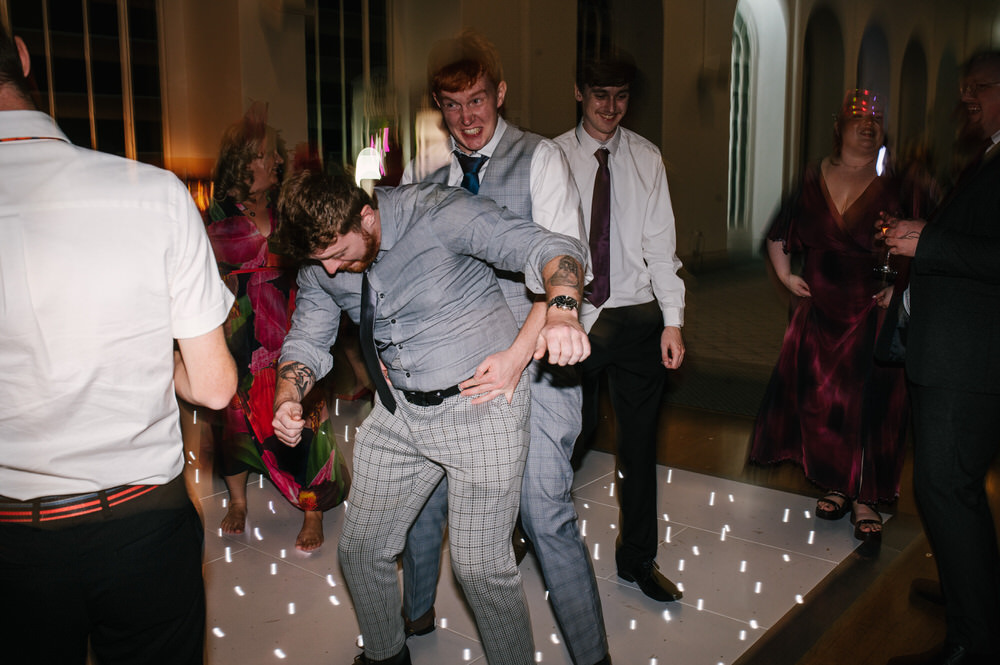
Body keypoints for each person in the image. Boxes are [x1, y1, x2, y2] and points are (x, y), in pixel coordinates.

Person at [270, 170, 591, 665]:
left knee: (480, 568)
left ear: (367, 217)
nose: (330, 271)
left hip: (482, 409)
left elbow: (553, 247)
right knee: (359, 551)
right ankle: (385, 655)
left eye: (337, 254)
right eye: (319, 262)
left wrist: (563, 312)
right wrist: (287, 397)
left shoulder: (440, 212)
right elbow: (307, 339)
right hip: (398, 412)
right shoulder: (322, 260)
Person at [0, 23, 237, 664]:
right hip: (141, 525)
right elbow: (215, 386)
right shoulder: (155, 195)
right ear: (22, 56)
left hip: (13, 538)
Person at [398, 30, 610, 665]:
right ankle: (411, 621)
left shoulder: (540, 160)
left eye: (477, 100)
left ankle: (593, 659)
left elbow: (563, 265)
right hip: (449, 366)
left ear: (501, 93)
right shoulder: (423, 174)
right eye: (452, 103)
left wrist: (518, 359)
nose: (466, 117)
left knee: (544, 514)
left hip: (537, 364)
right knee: (421, 497)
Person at [748, 89, 932, 548]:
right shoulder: (813, 177)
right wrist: (787, 277)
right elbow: (779, 230)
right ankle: (836, 482)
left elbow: (931, 239)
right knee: (825, 403)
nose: (868, 125)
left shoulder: (900, 181)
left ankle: (867, 496)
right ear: (839, 127)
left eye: (876, 118)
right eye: (858, 118)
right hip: (821, 310)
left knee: (873, 405)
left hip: (874, 310)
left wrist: (902, 288)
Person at [554, 56, 687, 602]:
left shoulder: (646, 157)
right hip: (575, 319)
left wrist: (673, 321)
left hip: (636, 318)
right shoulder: (554, 157)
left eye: (622, 97)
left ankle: (637, 560)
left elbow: (661, 249)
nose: (611, 108)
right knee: (566, 436)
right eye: (601, 95)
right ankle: (533, 527)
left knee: (638, 447)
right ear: (579, 92)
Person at [883, 51, 1000, 665]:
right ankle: (971, 600)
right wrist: (928, 233)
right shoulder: (990, 152)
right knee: (952, 490)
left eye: (978, 88)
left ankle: (974, 641)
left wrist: (931, 239)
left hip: (971, 362)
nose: (967, 99)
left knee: (946, 489)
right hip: (955, 353)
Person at [206, 104, 349, 552]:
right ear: (244, 160)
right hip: (240, 332)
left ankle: (313, 507)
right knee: (233, 420)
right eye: (267, 154)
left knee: (306, 412)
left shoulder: (285, 206)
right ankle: (238, 501)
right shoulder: (217, 213)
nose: (277, 161)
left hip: (290, 324)